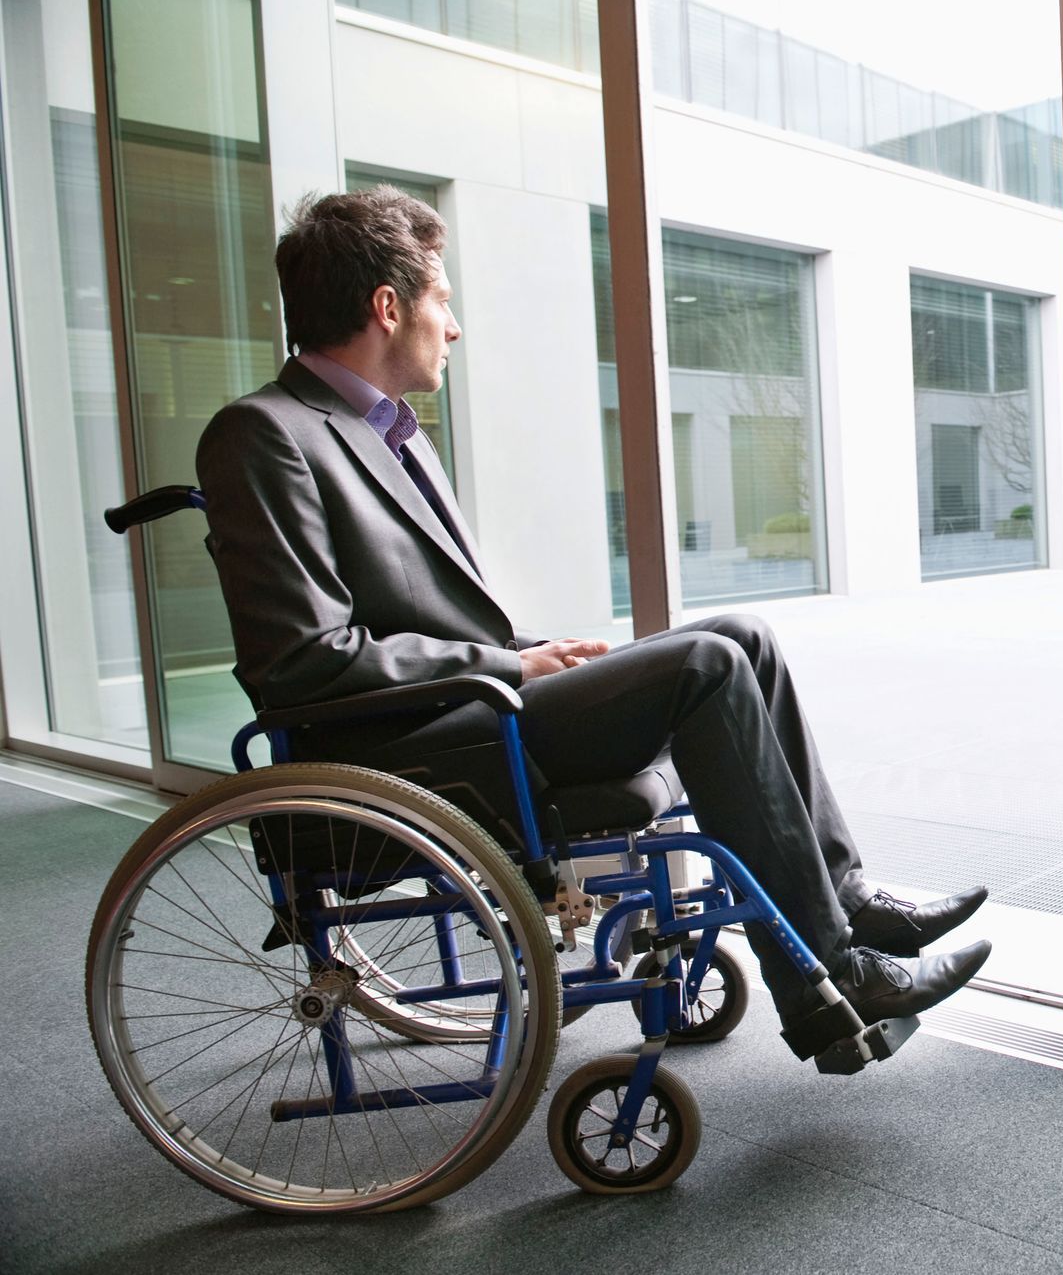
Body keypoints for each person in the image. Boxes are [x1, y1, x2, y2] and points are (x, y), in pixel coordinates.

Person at [196, 186, 991, 1056]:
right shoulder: (264, 435)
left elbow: (413, 612)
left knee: (743, 638)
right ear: (388, 308)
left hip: (466, 702)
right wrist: (505, 667)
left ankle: (850, 902)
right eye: (442, 301)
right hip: (415, 742)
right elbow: (306, 661)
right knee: (707, 667)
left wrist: (525, 652)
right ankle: (830, 975)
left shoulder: (390, 433)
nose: (452, 327)